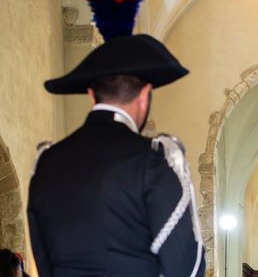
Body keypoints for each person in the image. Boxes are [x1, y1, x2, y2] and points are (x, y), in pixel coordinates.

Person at [27, 34, 205, 276]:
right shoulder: (153, 161)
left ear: (91, 95)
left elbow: (44, 261)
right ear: (144, 95)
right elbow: (187, 268)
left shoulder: (47, 162)